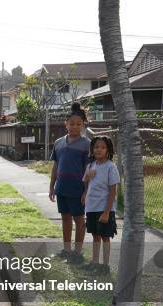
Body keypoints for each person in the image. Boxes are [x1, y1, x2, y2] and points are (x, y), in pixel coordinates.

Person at [49, 102, 90, 264]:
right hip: (61, 188)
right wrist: (52, 186)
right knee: (65, 219)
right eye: (71, 123)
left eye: (78, 124)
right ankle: (66, 250)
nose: (74, 126)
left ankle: (77, 252)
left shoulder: (87, 144)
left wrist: (86, 191)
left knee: (79, 220)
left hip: (78, 189)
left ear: (83, 124)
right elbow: (56, 166)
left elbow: (88, 170)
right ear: (65, 124)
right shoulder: (59, 143)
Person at [81, 136, 119, 273]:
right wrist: (85, 192)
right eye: (96, 147)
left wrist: (107, 212)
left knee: (105, 236)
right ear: (92, 149)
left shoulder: (111, 167)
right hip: (91, 207)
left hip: (104, 208)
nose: (99, 150)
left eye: (103, 147)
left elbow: (113, 191)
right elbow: (86, 181)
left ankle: (105, 266)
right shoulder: (91, 165)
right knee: (95, 235)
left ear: (108, 150)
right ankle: (95, 262)